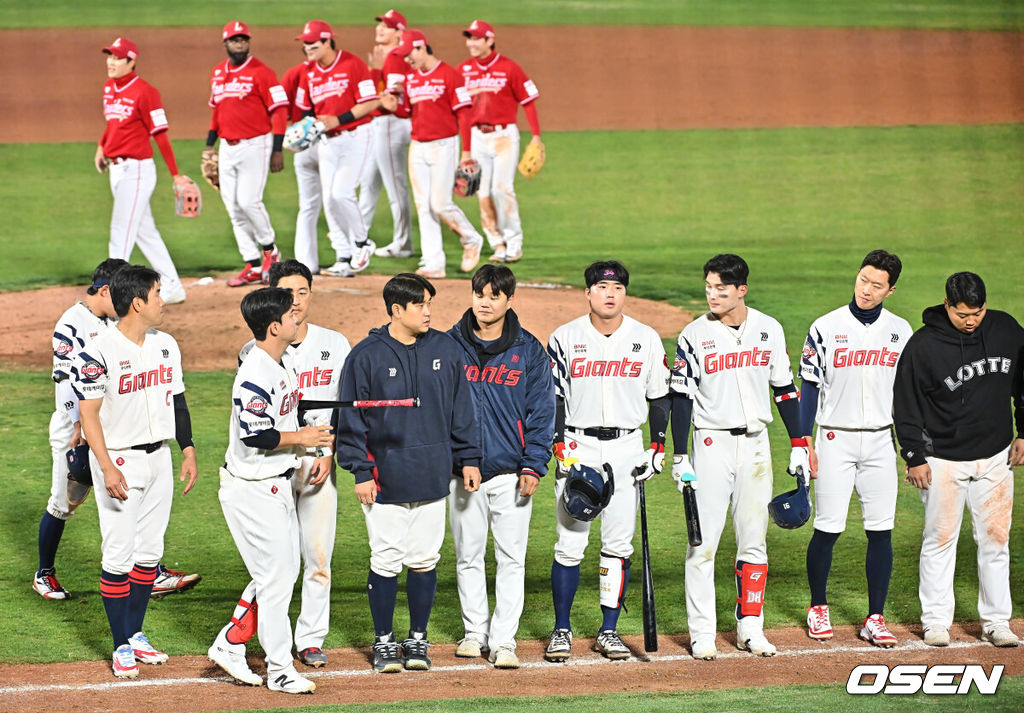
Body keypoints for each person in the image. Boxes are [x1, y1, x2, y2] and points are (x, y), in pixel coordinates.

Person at [336, 273, 481, 673]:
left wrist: (469, 458)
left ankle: (417, 639)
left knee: (424, 559)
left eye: (429, 303)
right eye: (419, 304)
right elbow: (350, 420)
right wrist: (360, 471)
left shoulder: (446, 349)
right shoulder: (364, 356)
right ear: (397, 309)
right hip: (384, 480)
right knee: (385, 560)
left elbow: (461, 410)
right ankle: (383, 641)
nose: (428, 311)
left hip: (432, 477)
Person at [668, 254, 807, 660]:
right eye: (708, 287)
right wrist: (680, 456)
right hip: (711, 445)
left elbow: (784, 388)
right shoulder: (694, 334)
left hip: (757, 445)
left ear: (741, 290)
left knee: (754, 540)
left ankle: (751, 628)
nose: (712, 295)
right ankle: (703, 633)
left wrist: (799, 441)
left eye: (721, 289)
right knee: (703, 543)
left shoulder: (769, 329)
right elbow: (681, 397)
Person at [214, 260, 351, 670]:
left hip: (296, 469)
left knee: (302, 560)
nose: (296, 305)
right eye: (287, 297)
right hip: (261, 478)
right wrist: (303, 440)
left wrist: (324, 448)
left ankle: (290, 642)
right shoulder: (257, 363)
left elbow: (322, 407)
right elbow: (257, 430)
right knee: (277, 569)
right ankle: (264, 657)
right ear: (274, 317)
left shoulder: (310, 352)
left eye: (302, 293)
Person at [71, 265, 199, 679]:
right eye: (158, 293)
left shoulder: (166, 345)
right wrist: (105, 466)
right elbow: (88, 416)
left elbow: (177, 402)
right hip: (119, 460)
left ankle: (135, 633)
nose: (164, 300)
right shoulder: (98, 350)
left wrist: (188, 449)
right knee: (119, 553)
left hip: (159, 456)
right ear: (138, 303)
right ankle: (120, 644)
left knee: (149, 553)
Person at [544, 260, 671, 662]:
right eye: (601, 287)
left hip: (627, 448)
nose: (609, 294)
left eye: (616, 288)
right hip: (578, 447)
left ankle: (609, 630)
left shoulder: (646, 338)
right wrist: (557, 445)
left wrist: (658, 446)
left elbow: (660, 396)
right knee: (570, 545)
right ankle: (561, 629)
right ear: (588, 293)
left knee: (618, 544)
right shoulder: (564, 338)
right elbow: (554, 399)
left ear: (625, 293)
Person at [894, 271, 1024, 648]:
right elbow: (906, 403)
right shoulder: (923, 346)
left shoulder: (1006, 330)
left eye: (978, 313)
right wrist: (914, 455)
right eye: (962, 314)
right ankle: (936, 622)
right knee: (940, 538)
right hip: (942, 460)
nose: (970, 321)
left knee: (996, 540)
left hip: (997, 456)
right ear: (946, 305)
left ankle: (997, 622)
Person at [799, 250, 912, 647]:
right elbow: (809, 386)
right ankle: (818, 607)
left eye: (876, 285)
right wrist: (803, 439)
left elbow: (907, 394)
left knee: (881, 531)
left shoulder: (901, 331)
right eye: (863, 279)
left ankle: (875, 617)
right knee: (827, 528)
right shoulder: (825, 327)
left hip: (881, 440)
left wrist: (912, 447)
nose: (866, 289)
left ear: (890, 289)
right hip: (834, 439)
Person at [447, 265, 555, 669]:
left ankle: (504, 640)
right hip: (464, 474)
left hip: (512, 472)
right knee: (468, 555)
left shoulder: (528, 350)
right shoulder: (448, 346)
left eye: (494, 295)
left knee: (511, 558)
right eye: (479, 294)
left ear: (510, 300)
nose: (485, 302)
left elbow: (542, 412)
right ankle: (475, 632)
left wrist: (534, 465)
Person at [381, 29, 485, 279]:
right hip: (418, 146)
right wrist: (393, 107)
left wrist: (467, 152)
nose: (407, 60)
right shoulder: (411, 79)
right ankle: (433, 261)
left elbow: (464, 114)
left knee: (440, 203)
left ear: (421, 47)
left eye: (409, 54)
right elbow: (407, 111)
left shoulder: (450, 75)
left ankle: (471, 239)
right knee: (423, 205)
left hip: (444, 145)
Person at [96, 37, 187, 305]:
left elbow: (160, 135)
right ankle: (172, 286)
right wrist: (102, 147)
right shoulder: (108, 87)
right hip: (116, 168)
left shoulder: (147, 92)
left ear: (131, 62)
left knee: (120, 231)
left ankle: (113, 295)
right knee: (145, 233)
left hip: (136, 172)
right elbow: (114, 124)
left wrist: (175, 174)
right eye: (109, 56)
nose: (111, 62)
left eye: (117, 58)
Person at [294, 20, 381, 278]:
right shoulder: (309, 73)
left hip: (356, 136)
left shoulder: (352, 64)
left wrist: (338, 119)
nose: (307, 47)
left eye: (312, 43)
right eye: (305, 43)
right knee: (330, 200)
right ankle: (343, 255)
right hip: (327, 141)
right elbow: (306, 109)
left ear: (327, 41)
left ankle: (363, 243)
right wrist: (306, 128)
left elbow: (371, 102)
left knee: (342, 193)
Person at [204, 21, 288, 287]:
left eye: (243, 39)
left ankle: (270, 250)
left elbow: (280, 110)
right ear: (226, 43)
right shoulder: (218, 72)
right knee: (233, 207)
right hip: (227, 148)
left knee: (249, 201)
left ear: (248, 42)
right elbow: (218, 110)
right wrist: (210, 145)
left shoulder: (262, 72)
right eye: (234, 39)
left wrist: (277, 148)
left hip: (256, 144)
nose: (239, 43)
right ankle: (252, 263)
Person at [459, 20, 542, 263]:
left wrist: (536, 136)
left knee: (501, 189)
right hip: (477, 138)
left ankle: (514, 243)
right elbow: (461, 113)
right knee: (482, 192)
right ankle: (497, 243)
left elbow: (528, 101)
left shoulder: (510, 68)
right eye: (469, 38)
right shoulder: (462, 71)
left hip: (504, 136)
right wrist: (465, 150)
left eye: (476, 38)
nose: (471, 43)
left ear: (489, 40)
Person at [360, 9, 415, 259]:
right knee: (369, 183)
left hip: (392, 124)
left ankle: (403, 243)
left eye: (387, 26)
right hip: (382, 126)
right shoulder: (393, 56)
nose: (380, 29)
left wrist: (374, 70)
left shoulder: (393, 57)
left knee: (396, 186)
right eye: (380, 24)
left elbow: (385, 99)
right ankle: (357, 236)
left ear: (399, 33)